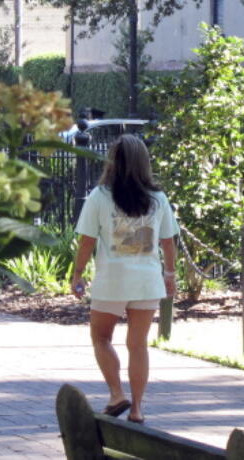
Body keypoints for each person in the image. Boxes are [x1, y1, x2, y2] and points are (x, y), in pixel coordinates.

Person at [70, 134, 179, 425]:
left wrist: (77, 274)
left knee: (101, 337)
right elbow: (169, 241)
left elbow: (86, 242)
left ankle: (117, 394)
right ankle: (138, 408)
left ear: (112, 162)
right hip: (147, 281)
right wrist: (170, 275)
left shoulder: (100, 196)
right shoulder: (158, 198)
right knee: (138, 345)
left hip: (112, 281)